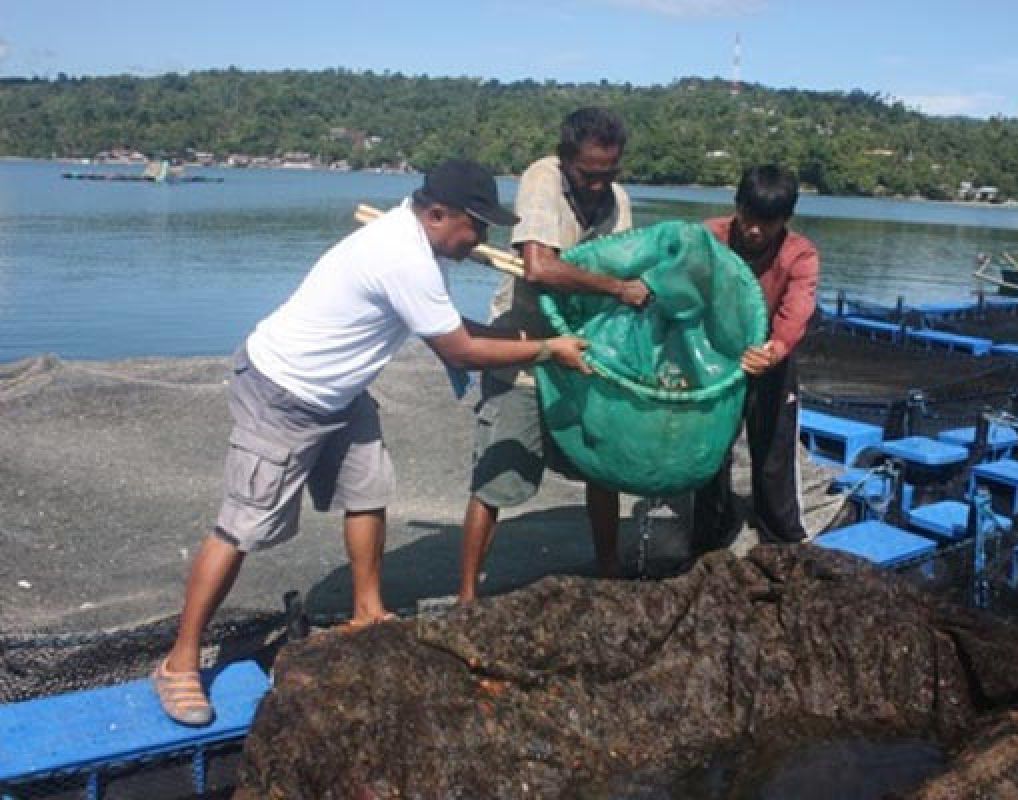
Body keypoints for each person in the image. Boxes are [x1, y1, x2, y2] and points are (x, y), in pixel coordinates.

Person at [154, 159, 591, 726]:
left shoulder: (417, 246)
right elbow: (457, 350)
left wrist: (524, 337)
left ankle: (368, 611)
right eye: (475, 225)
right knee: (241, 527)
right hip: (283, 391)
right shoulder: (402, 256)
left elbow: (449, 326)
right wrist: (545, 350)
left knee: (368, 489)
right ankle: (179, 661)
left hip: (342, 393)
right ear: (437, 214)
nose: (481, 239)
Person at [457, 107, 649, 604]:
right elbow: (539, 267)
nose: (597, 185)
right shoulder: (543, 178)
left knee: (603, 465)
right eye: (589, 174)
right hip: (524, 347)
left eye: (609, 174)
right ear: (567, 160)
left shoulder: (616, 200)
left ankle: (609, 570)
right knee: (498, 470)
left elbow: (628, 260)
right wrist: (616, 288)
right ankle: (466, 596)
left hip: (581, 348)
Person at [692, 165, 819, 552]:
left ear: (786, 220)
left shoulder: (801, 254)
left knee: (774, 452)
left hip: (769, 356)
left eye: (768, 223)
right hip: (715, 355)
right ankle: (710, 530)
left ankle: (780, 536)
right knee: (711, 448)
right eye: (749, 218)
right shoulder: (707, 237)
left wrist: (774, 350)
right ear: (737, 206)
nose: (754, 231)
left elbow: (797, 311)